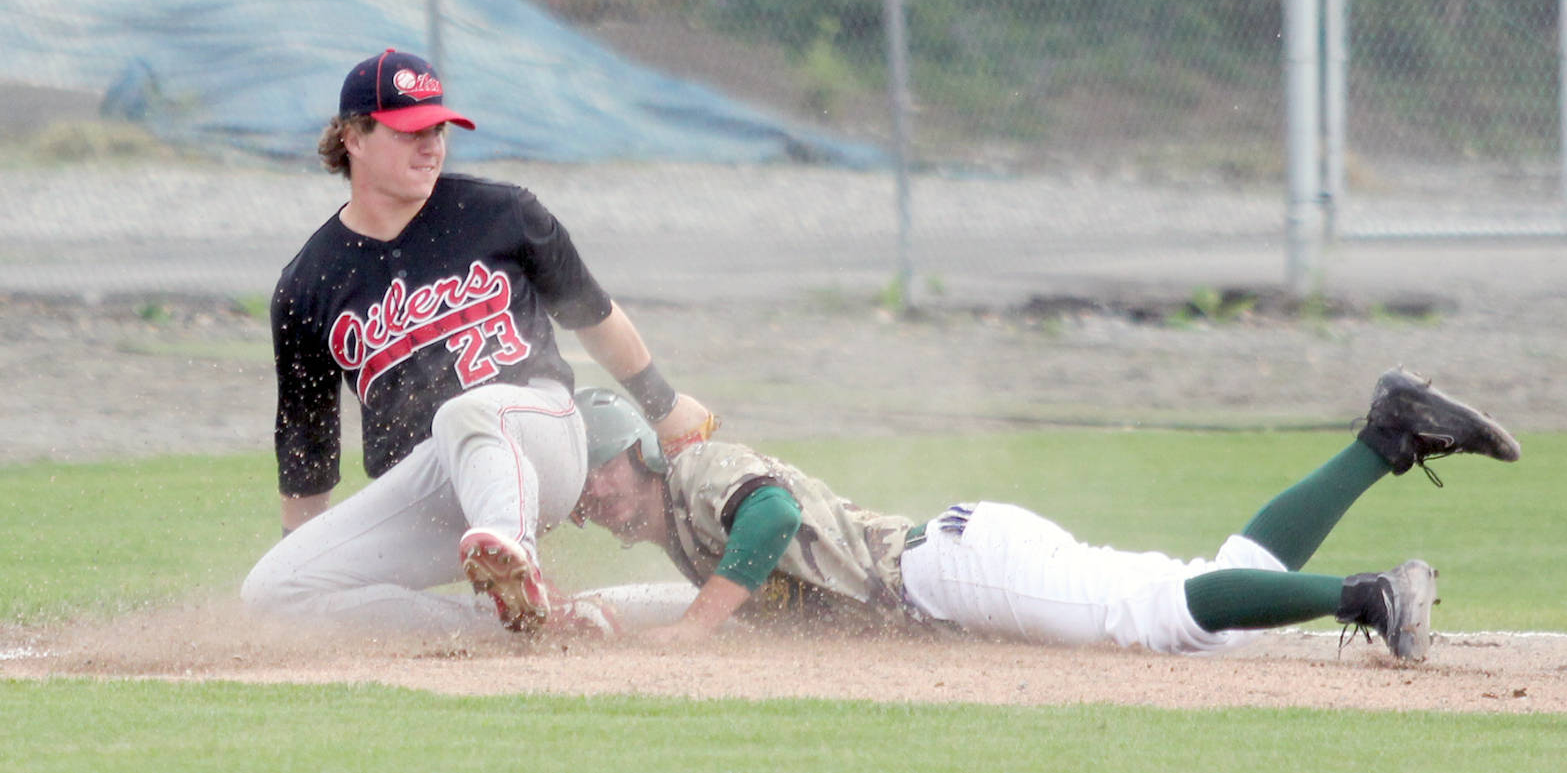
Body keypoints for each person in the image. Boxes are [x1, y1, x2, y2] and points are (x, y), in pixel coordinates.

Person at [241, 49, 716, 637]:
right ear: (353, 138)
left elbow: (592, 315)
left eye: (437, 128)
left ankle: (515, 558)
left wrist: (664, 407)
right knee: (270, 594)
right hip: (431, 487)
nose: (431, 145)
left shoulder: (501, 213)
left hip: (537, 437)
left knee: (466, 412)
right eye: (409, 130)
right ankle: (530, 622)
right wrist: (307, 553)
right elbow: (307, 450)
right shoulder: (308, 284)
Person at [569, 368, 1520, 659]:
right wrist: (619, 620)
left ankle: (1369, 597)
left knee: (1161, 617)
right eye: (576, 497)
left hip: (945, 569)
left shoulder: (702, 472)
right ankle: (1385, 436)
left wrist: (692, 625)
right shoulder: (689, 532)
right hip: (958, 563)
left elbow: (771, 516)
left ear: (635, 450)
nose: (589, 501)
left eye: (594, 475)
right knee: (1207, 579)